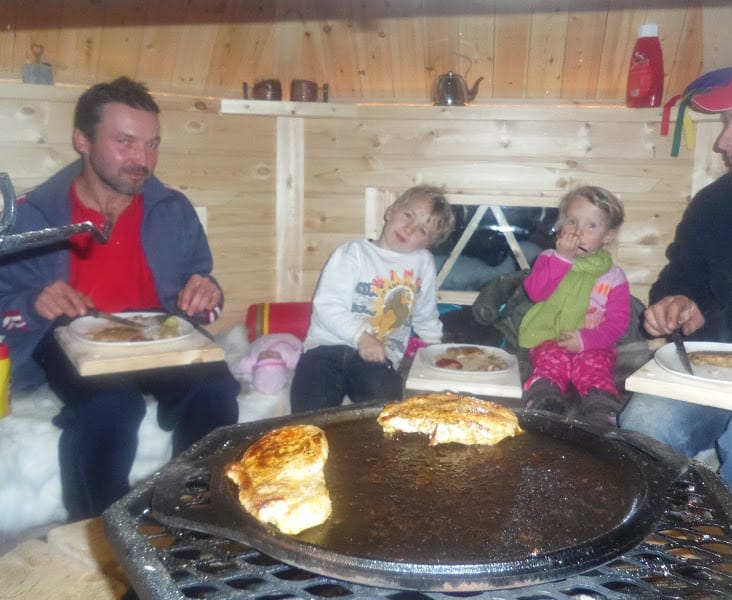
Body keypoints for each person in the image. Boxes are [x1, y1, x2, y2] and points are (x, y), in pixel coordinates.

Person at [0, 77, 240, 521]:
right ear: (82, 141)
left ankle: (198, 521)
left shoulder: (173, 209)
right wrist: (35, 302)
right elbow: (5, 307)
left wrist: (205, 290)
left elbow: (203, 288)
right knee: (111, 407)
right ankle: (104, 535)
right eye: (125, 142)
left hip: (158, 331)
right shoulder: (35, 214)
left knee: (215, 389)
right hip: (73, 338)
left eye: (152, 144)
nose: (142, 160)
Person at [619, 53, 732, 560]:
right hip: (715, 374)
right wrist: (678, 301)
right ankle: (657, 560)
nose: (723, 140)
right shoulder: (716, 202)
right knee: (644, 421)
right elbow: (681, 277)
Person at [291, 185, 455, 412]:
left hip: (378, 359)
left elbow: (425, 315)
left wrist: (438, 353)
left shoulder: (422, 263)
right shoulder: (353, 252)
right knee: (308, 412)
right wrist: (361, 337)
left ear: (426, 244)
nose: (409, 229)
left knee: (387, 408)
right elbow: (327, 306)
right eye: (408, 215)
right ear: (390, 211)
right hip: (326, 349)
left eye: (422, 230)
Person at [518, 186, 630, 425]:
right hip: (550, 337)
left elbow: (617, 324)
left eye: (591, 225)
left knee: (594, 368)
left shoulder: (613, 276)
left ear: (608, 235)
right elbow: (536, 293)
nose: (578, 231)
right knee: (549, 361)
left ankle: (601, 410)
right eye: (572, 221)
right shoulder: (549, 259)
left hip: (593, 343)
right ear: (561, 225)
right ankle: (544, 399)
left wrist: (585, 340)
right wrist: (563, 260)